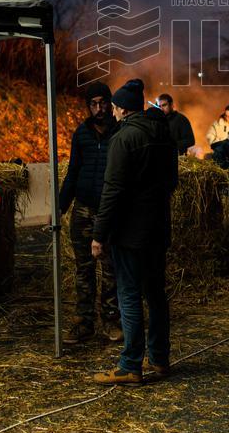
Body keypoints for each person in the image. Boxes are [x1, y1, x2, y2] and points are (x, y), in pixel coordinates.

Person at [92, 79, 178, 385]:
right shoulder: (164, 134)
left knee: (128, 294)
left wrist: (99, 233)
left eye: (113, 107)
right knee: (155, 293)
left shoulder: (124, 138)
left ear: (120, 108)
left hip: (130, 232)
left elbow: (113, 190)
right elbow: (172, 183)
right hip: (158, 228)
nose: (111, 113)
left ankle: (130, 364)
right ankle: (160, 359)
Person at [59, 82, 121, 344]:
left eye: (103, 103)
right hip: (83, 208)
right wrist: (61, 205)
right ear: (88, 106)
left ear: (110, 103)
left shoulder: (120, 132)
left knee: (110, 268)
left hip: (108, 210)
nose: (99, 108)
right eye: (93, 104)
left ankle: (111, 320)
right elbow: (73, 171)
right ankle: (84, 322)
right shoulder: (81, 133)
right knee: (83, 268)